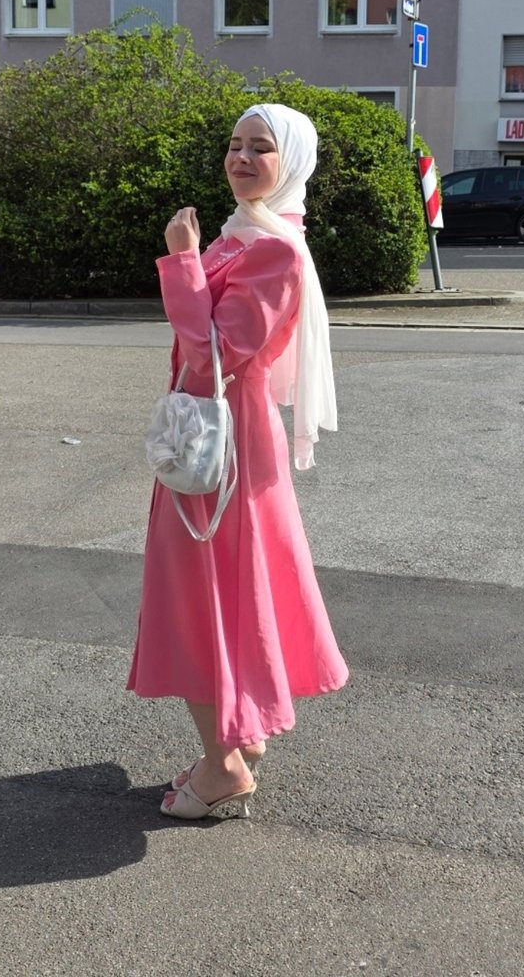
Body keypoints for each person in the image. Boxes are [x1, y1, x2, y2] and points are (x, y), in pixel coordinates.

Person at [127, 103, 350, 821]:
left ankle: (223, 766)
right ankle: (240, 736)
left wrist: (180, 260)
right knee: (230, 590)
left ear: (292, 164)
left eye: (262, 147)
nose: (242, 158)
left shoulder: (275, 250)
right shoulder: (241, 235)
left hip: (223, 446)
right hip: (211, 435)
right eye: (235, 144)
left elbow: (213, 355)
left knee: (201, 598)